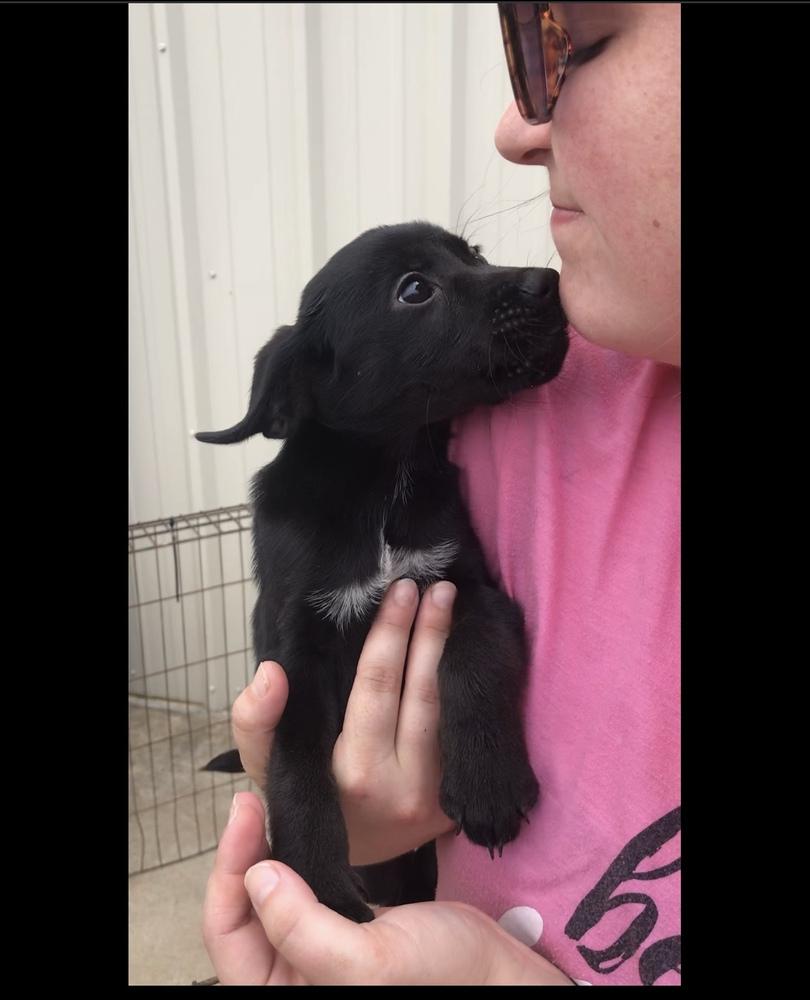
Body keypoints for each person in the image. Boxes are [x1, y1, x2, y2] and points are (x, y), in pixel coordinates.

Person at [202, 2, 680, 986]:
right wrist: (342, 851)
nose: (513, 124)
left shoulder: (479, 438)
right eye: (425, 285)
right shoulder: (500, 439)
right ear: (305, 387)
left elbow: (475, 617)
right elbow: (310, 726)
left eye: (577, 41)